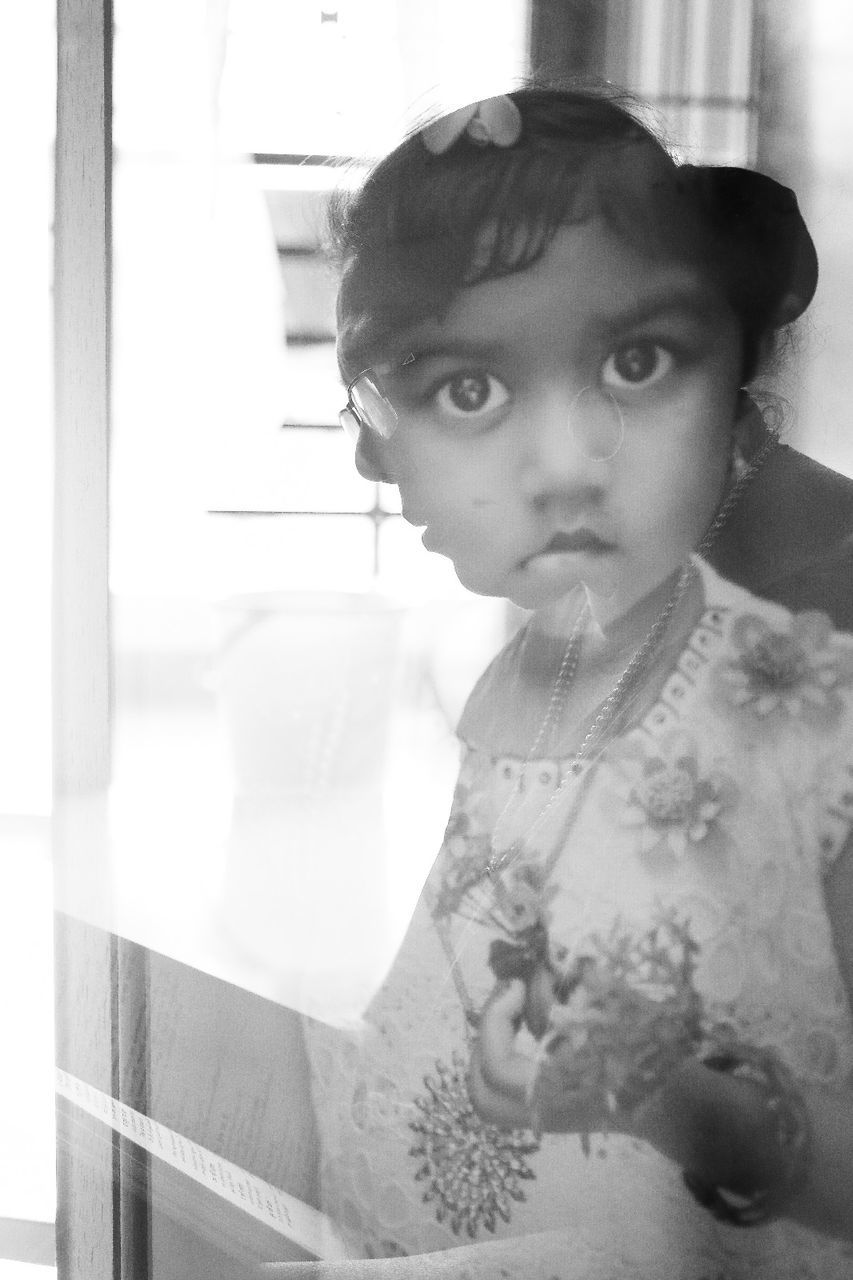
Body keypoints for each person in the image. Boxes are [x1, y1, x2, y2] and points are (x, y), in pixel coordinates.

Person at [297, 86, 853, 1278]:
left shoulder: (822, 641)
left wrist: (656, 1085)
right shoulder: (566, 640)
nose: (366, 456)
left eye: (425, 388)